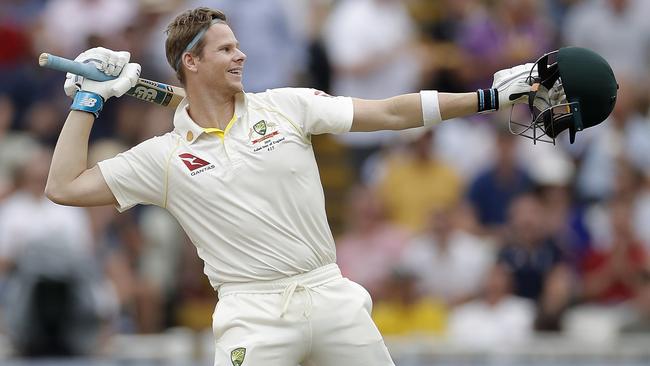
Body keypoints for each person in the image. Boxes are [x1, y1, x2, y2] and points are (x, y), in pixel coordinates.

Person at [45, 7, 540, 366]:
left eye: (238, 45)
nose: (241, 55)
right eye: (226, 49)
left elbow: (390, 111)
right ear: (191, 63)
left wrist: (489, 97)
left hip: (330, 295)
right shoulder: (164, 157)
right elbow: (63, 186)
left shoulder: (286, 106)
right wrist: (89, 101)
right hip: (251, 312)